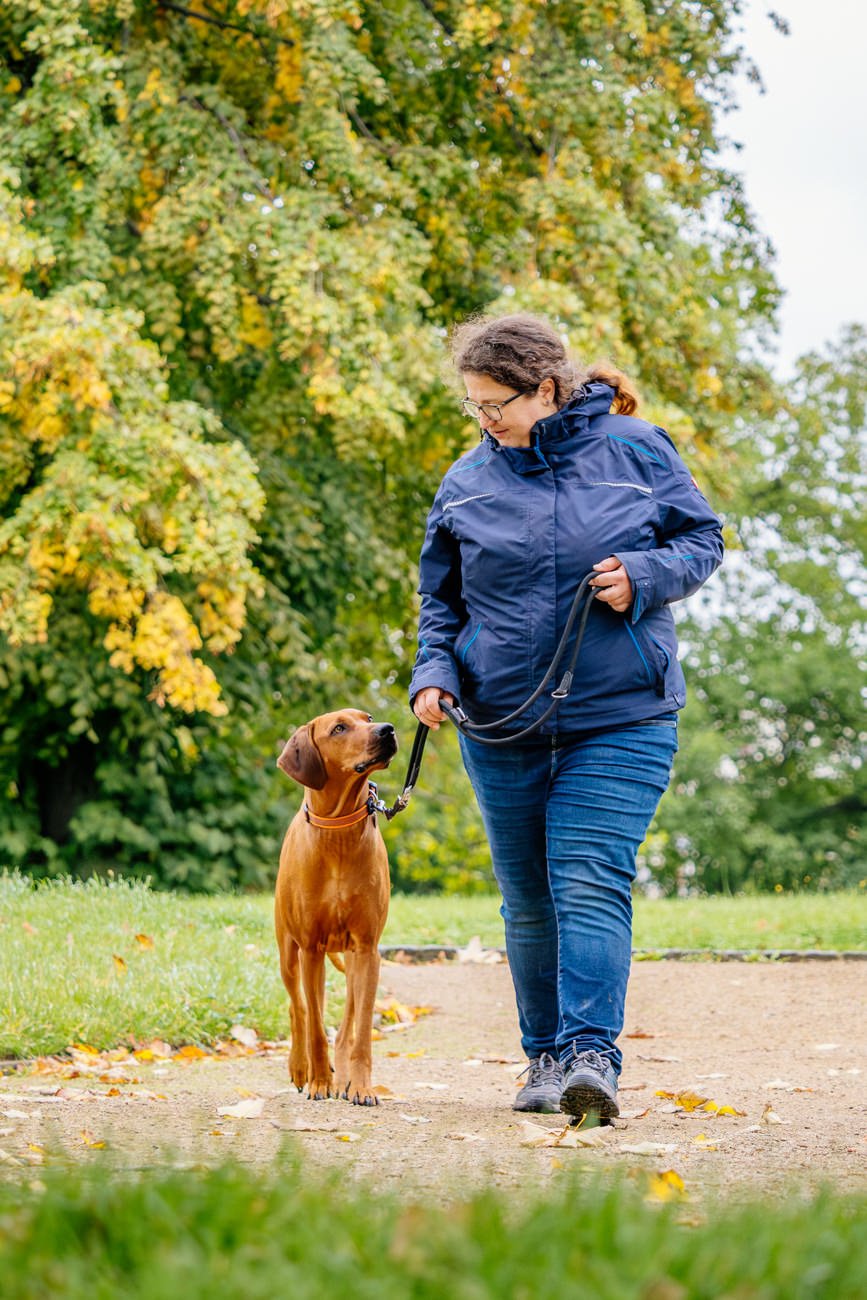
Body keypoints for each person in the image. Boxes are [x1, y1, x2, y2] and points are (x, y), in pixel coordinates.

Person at [410, 313, 724, 1121]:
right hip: (500, 722)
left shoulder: (636, 450)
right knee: (526, 898)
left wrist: (646, 573)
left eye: (496, 404)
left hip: (620, 714)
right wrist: (434, 674)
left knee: (586, 878)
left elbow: (702, 539)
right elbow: (438, 601)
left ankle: (592, 1055)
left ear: (546, 389)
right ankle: (543, 1060)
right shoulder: (465, 480)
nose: (485, 421)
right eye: (473, 406)